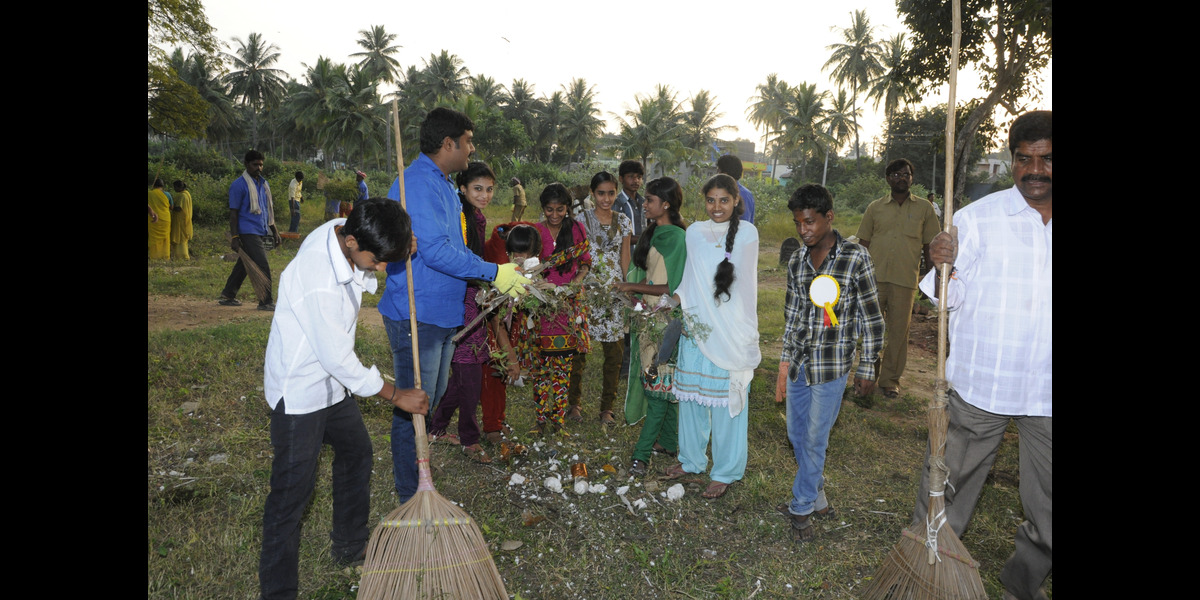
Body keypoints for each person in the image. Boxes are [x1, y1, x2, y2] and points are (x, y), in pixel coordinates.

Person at [258, 198, 429, 600]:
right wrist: (396, 394)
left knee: (356, 453)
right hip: (300, 393)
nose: (382, 268)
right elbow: (338, 358)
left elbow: (366, 257)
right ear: (351, 242)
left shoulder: (343, 228)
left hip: (332, 388)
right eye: (378, 260)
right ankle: (278, 592)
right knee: (291, 495)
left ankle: (350, 546)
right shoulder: (318, 277)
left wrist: (396, 243)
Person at [912, 110, 1051, 600]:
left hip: (1048, 391)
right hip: (981, 386)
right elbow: (945, 299)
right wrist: (939, 261)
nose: (1035, 170)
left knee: (1050, 511)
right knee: (944, 493)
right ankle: (926, 576)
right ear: (1012, 160)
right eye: (1024, 159)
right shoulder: (973, 221)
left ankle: (1023, 585)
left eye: (1047, 159)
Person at [380, 107, 526, 502]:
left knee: (432, 395)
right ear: (449, 144)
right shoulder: (416, 185)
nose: (471, 148)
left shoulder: (444, 185)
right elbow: (435, 252)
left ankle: (419, 476)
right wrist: (493, 272)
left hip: (444, 312)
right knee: (414, 405)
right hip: (418, 312)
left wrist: (489, 277)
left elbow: (457, 249)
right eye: (468, 141)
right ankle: (410, 494)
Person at [775, 183, 884, 543]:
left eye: (809, 222)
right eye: (797, 223)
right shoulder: (797, 261)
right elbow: (792, 316)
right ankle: (818, 494)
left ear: (829, 217)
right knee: (796, 435)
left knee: (814, 439)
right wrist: (784, 364)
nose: (803, 230)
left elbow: (872, 318)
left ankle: (802, 506)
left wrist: (868, 366)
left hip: (832, 367)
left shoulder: (855, 258)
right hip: (800, 365)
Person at [664, 174, 760, 499]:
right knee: (691, 399)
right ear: (703, 201)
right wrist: (671, 302)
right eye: (710, 200)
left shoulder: (747, 233)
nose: (717, 207)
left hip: (730, 330)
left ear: (736, 201)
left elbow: (746, 287)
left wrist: (745, 332)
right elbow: (690, 279)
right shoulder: (693, 232)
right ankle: (691, 460)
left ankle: (725, 471)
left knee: (727, 405)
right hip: (697, 327)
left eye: (724, 200)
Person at [617, 177, 687, 476]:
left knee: (657, 386)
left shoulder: (678, 238)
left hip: (665, 321)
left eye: (649, 200)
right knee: (661, 384)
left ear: (666, 204)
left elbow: (672, 287)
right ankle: (669, 442)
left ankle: (641, 456)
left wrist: (630, 286)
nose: (643, 204)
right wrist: (635, 294)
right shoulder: (655, 232)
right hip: (648, 315)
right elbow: (651, 277)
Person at [427, 162, 497, 463]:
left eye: (489, 189)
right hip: (461, 297)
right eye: (477, 189)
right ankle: (470, 439)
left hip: (474, 295)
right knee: (469, 373)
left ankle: (436, 427)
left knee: (466, 370)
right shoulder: (459, 217)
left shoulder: (476, 216)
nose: (484, 195)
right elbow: (458, 259)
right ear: (463, 188)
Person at [855, 158, 941, 399]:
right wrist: (857, 276)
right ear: (888, 179)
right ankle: (867, 375)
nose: (901, 178)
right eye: (896, 174)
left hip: (905, 280)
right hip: (874, 279)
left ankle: (890, 381)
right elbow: (863, 243)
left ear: (912, 178)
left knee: (898, 333)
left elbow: (931, 245)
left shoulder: (925, 208)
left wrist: (931, 278)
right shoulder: (875, 207)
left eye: (906, 174)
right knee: (870, 330)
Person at [527, 183, 592, 435]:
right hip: (542, 308)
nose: (554, 215)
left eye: (560, 209)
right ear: (543, 208)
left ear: (568, 208)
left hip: (567, 307)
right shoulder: (536, 231)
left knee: (563, 367)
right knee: (541, 367)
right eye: (549, 209)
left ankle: (559, 421)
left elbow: (585, 262)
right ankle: (540, 420)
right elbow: (528, 266)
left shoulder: (577, 229)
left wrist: (575, 283)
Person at [569, 171, 632, 425]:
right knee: (578, 351)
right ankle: (574, 404)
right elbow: (575, 255)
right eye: (601, 193)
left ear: (616, 193)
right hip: (586, 291)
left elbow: (625, 256)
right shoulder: (580, 220)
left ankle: (607, 408)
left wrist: (628, 286)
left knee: (614, 355)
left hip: (614, 293)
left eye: (611, 193)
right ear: (592, 194)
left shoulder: (624, 221)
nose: (606, 198)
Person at [220, 150, 281, 311]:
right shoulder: (238, 185)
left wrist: (275, 231)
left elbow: (268, 211)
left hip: (260, 229)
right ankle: (266, 301)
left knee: (245, 263)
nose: (259, 168)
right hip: (247, 231)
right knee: (262, 264)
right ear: (246, 164)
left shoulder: (264, 184)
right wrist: (235, 237)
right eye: (255, 165)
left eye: (261, 165)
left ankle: (228, 294)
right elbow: (233, 214)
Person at [716, 154, 756, 224]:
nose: (716, 174)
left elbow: (744, 224)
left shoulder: (744, 195)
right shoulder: (719, 192)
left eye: (718, 170)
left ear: (725, 174)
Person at [613, 160, 647, 237]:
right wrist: (644, 239)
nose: (636, 181)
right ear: (621, 179)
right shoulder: (617, 203)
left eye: (639, 177)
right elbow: (617, 235)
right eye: (631, 177)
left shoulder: (644, 202)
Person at [148, 178, 171, 259]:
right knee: (165, 238)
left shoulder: (149, 193)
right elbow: (171, 206)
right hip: (166, 219)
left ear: (153, 185)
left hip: (153, 218)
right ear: (163, 186)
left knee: (154, 237)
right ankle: (165, 256)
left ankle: (155, 256)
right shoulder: (167, 194)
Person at [170, 180, 193, 260]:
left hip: (180, 220)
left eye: (175, 187)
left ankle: (182, 256)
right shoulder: (187, 194)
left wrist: (169, 207)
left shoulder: (182, 196)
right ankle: (178, 255)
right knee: (182, 238)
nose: (174, 189)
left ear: (179, 187)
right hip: (183, 219)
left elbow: (179, 208)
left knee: (180, 238)